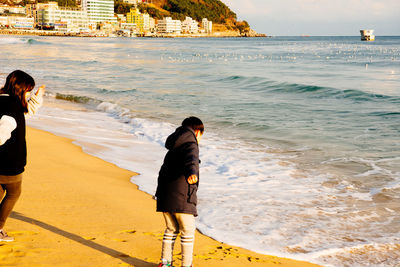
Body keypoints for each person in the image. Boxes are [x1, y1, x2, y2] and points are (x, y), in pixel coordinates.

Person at [0, 70, 45, 242]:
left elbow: (26, 111)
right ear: (21, 89)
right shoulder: (12, 108)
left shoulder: (5, 100)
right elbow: (5, 129)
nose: (28, 94)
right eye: (28, 90)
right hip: (9, 164)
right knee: (13, 194)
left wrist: (38, 97)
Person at [155, 116, 204, 267]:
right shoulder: (191, 143)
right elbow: (192, 160)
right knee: (188, 230)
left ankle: (165, 263)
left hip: (164, 194)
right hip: (181, 195)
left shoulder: (174, 145)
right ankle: (186, 265)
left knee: (171, 228)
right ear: (197, 131)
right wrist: (192, 173)